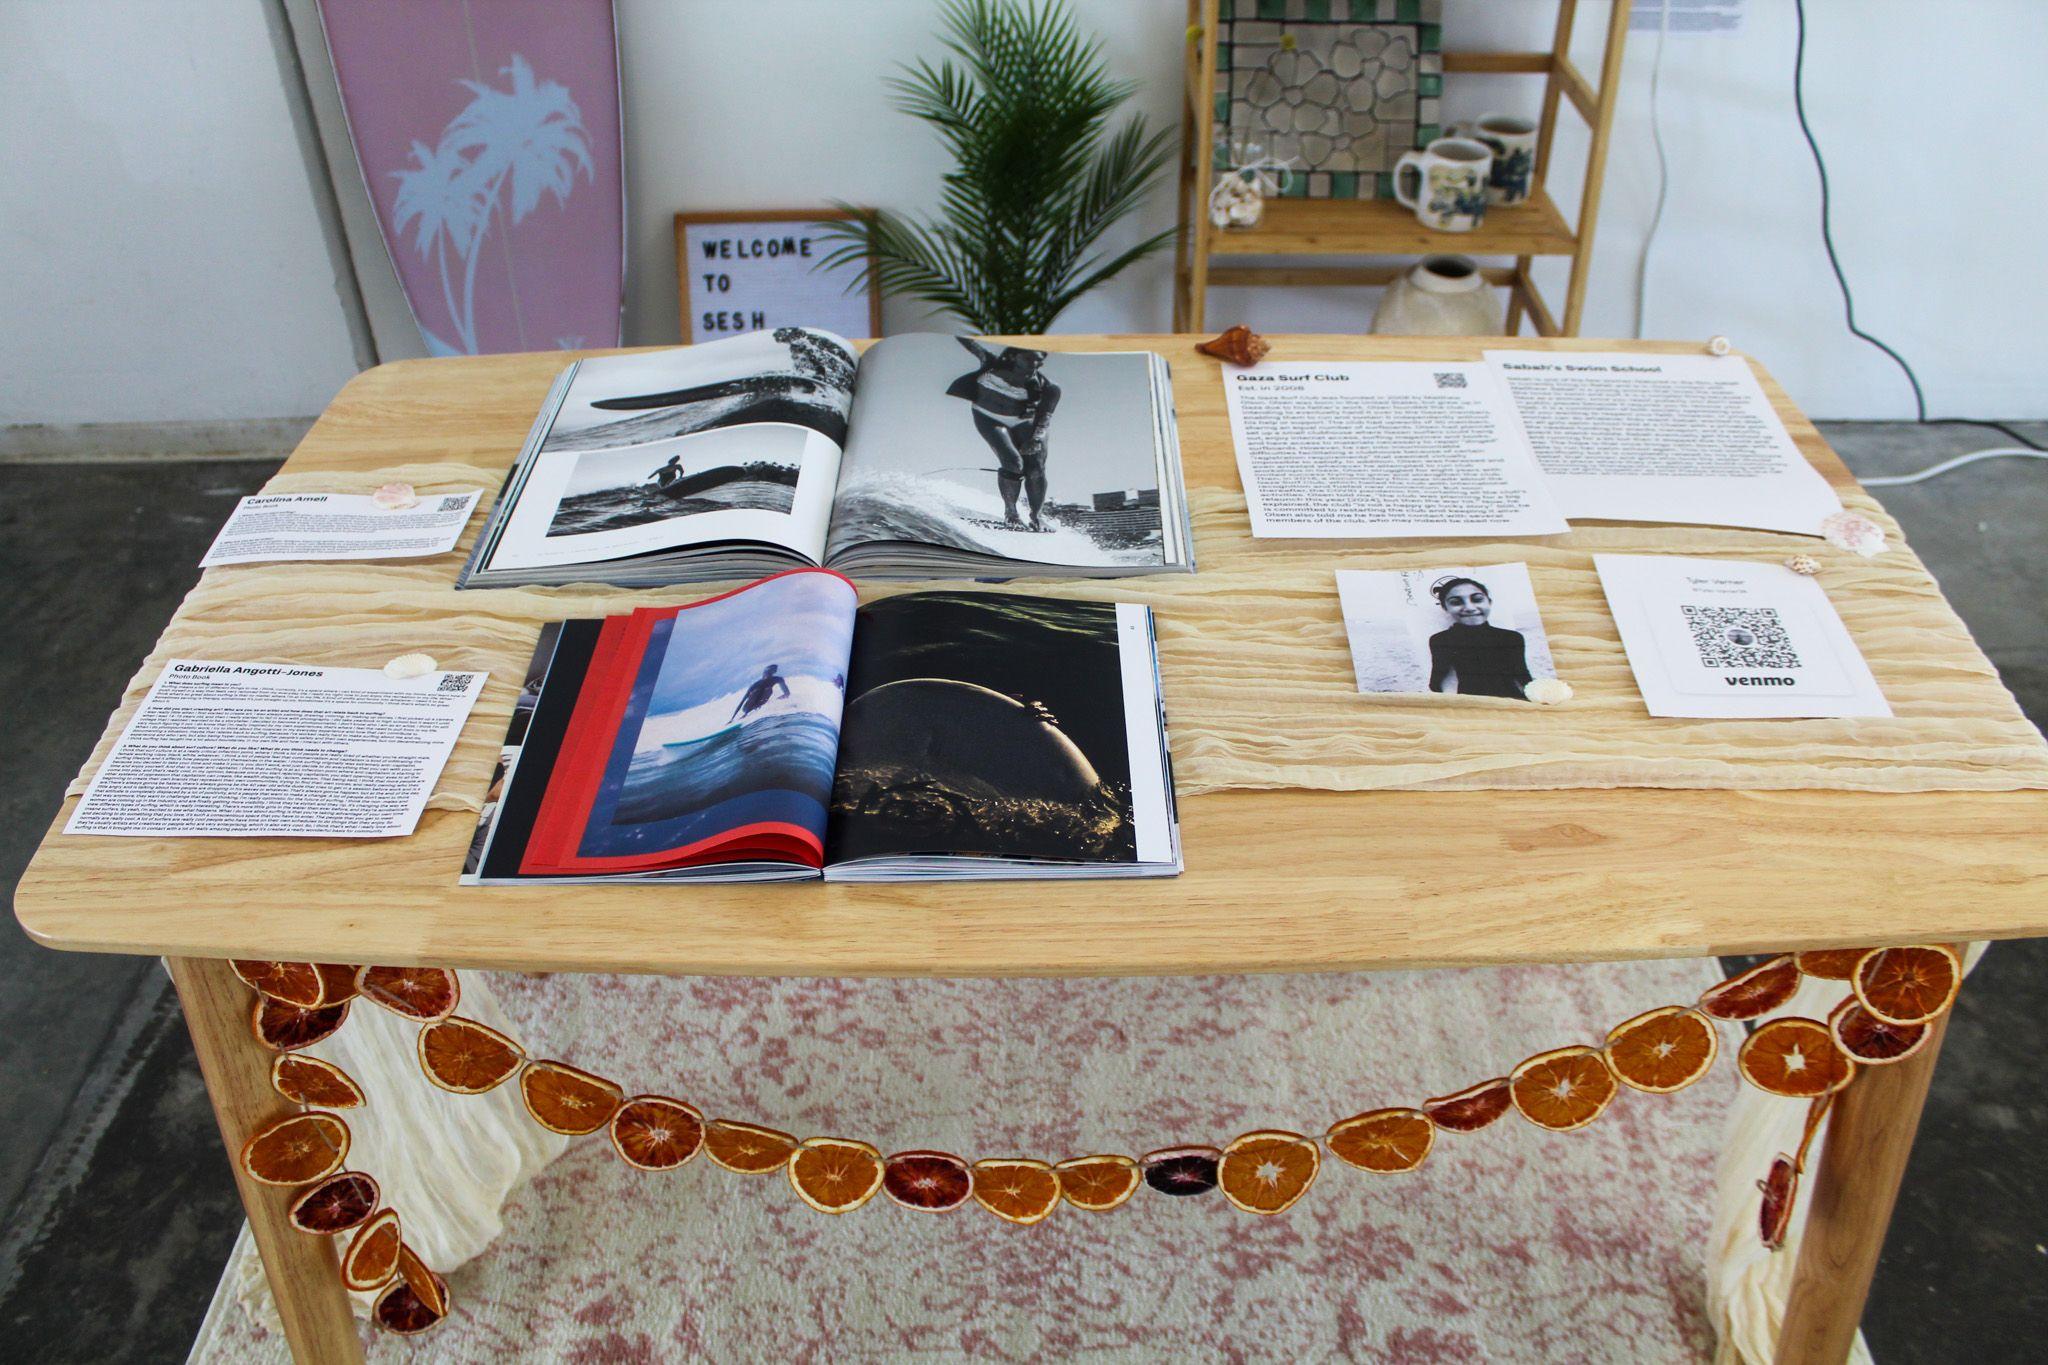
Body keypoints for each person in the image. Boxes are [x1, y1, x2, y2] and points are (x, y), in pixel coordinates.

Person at [945, 337, 1061, 530]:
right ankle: (1011, 512)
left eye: (1038, 360)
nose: (1033, 364)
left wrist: (1035, 439)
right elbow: (971, 344)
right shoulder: (991, 363)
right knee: (1013, 463)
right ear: (1015, 356)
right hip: (988, 417)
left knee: (1035, 469)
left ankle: (1036, 516)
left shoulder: (1048, 387)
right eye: (1029, 359)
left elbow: (1045, 417)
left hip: (1025, 421)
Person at [1426, 576, 1533, 699]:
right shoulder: (1440, 640)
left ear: (1489, 602)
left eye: (1477, 599)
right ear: (1445, 608)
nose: (1470, 608)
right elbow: (1435, 683)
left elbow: (1523, 676)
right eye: (1456, 602)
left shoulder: (1512, 637)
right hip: (1472, 706)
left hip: (1511, 701)